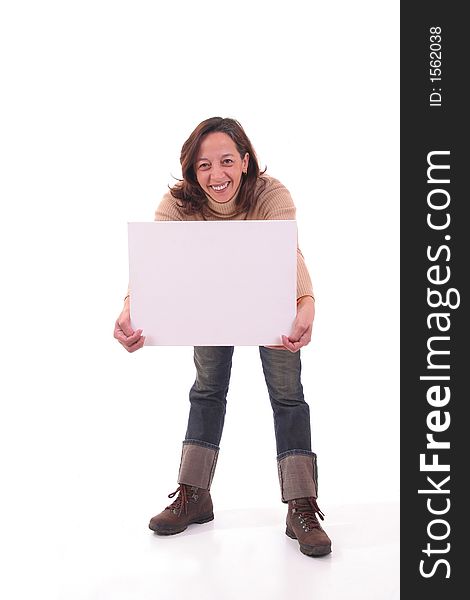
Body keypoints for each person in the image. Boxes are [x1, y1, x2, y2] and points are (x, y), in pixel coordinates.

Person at [113, 117, 332, 557]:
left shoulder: (271, 194)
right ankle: (195, 494)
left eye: (227, 161)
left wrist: (307, 302)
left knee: (288, 394)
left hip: (270, 303)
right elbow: (155, 271)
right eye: (204, 166)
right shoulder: (176, 205)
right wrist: (130, 307)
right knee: (207, 389)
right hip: (210, 306)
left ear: (246, 162)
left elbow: (289, 255)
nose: (217, 176)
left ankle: (301, 503)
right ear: (192, 172)